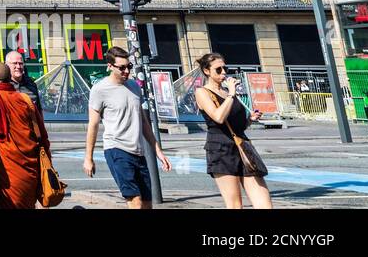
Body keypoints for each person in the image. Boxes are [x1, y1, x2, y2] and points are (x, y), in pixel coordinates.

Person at [83, 47, 172, 208]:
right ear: (110, 66)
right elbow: (93, 125)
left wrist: (158, 151)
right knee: (135, 201)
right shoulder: (99, 90)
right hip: (117, 149)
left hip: (138, 152)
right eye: (122, 68)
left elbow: (144, 122)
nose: (126, 71)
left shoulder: (134, 87)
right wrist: (88, 158)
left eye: (129, 67)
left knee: (147, 203)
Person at [193, 53, 272, 209]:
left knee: (265, 203)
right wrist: (231, 94)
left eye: (225, 68)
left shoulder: (227, 92)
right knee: (235, 205)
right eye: (218, 69)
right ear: (206, 71)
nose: (223, 72)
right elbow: (218, 117)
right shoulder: (202, 92)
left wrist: (250, 120)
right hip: (221, 149)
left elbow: (237, 125)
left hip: (242, 146)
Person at [0, 61, 46, 209]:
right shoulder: (25, 99)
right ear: (9, 78)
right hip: (29, 165)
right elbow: (42, 134)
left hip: (3, 165)